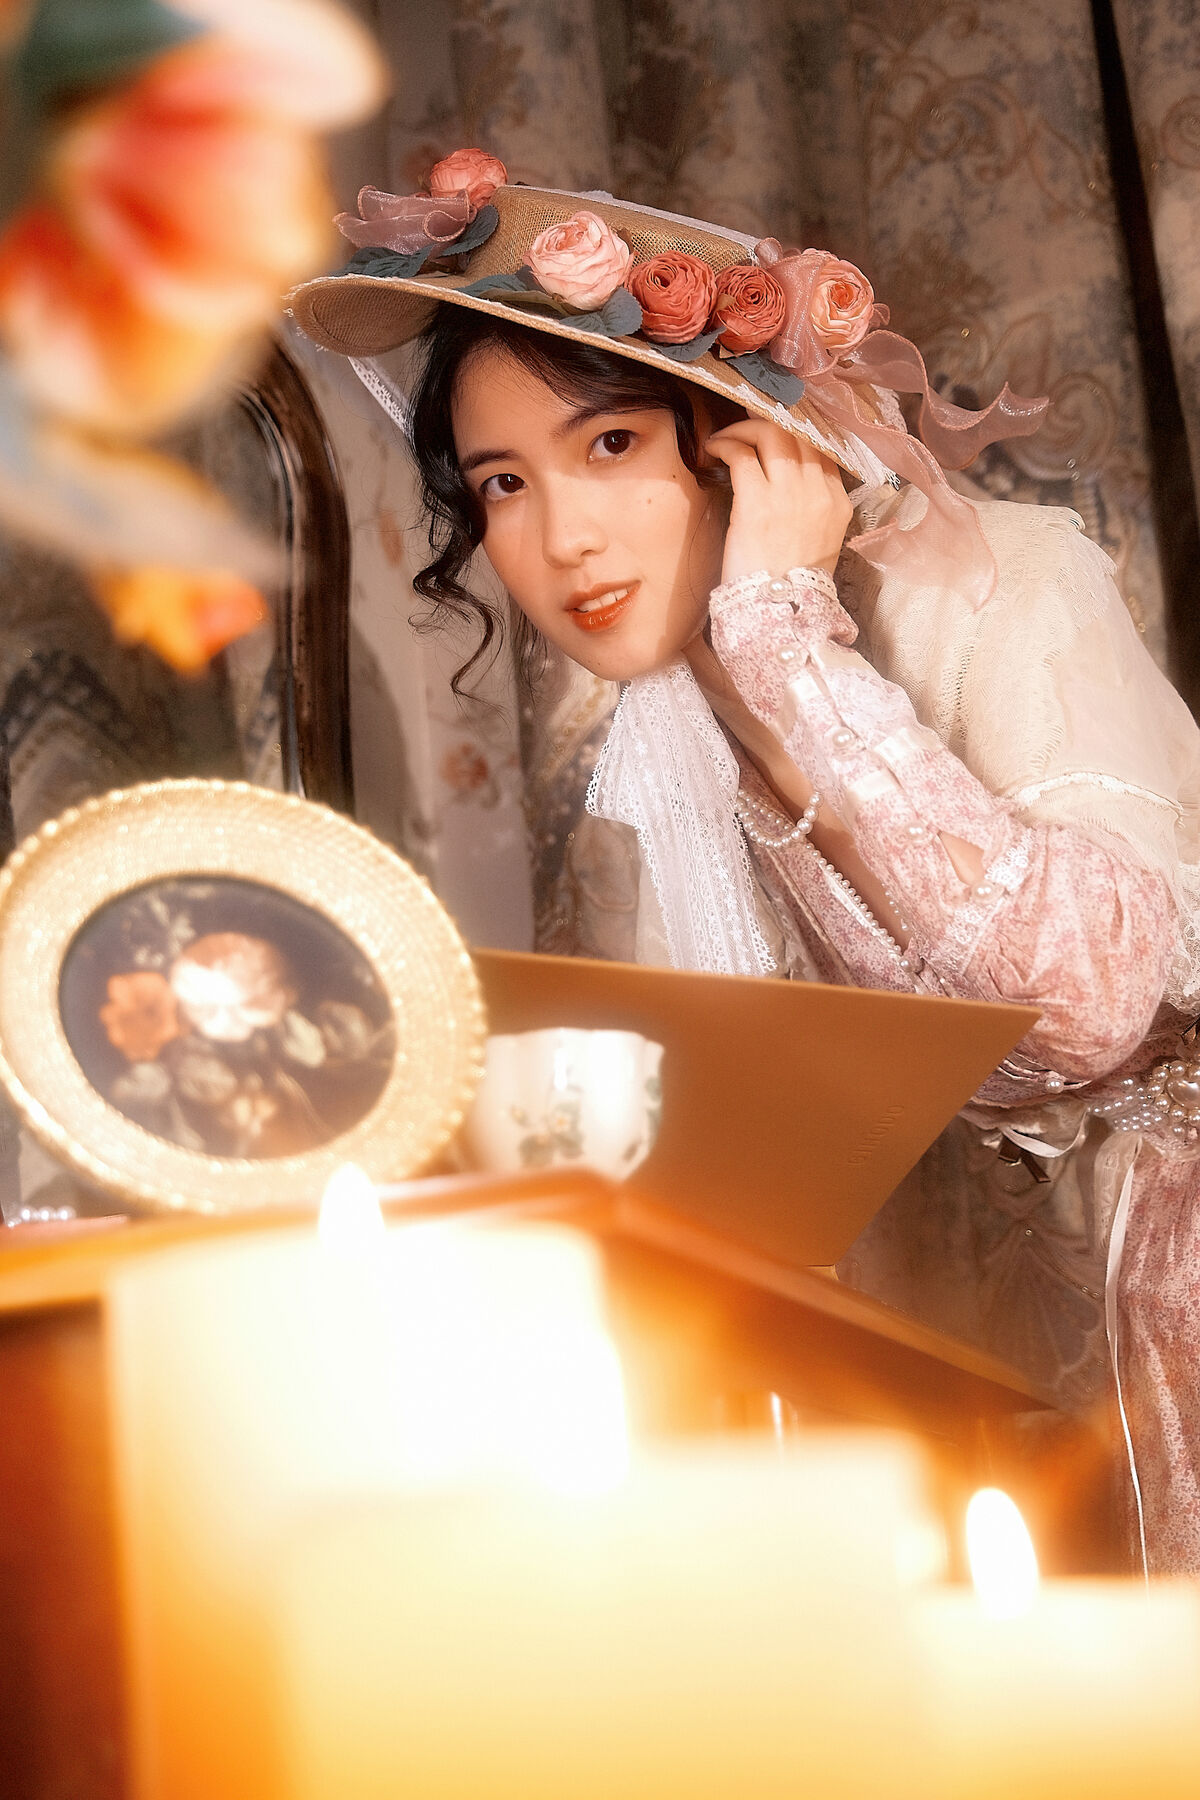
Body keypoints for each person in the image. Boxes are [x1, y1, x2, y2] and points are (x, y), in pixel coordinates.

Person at [291, 155, 1200, 1573]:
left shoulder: (998, 581)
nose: (560, 539)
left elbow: (1088, 994)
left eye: (610, 447)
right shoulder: (667, 747)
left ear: (745, 444)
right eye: (503, 485)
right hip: (1002, 1357)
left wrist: (785, 635)